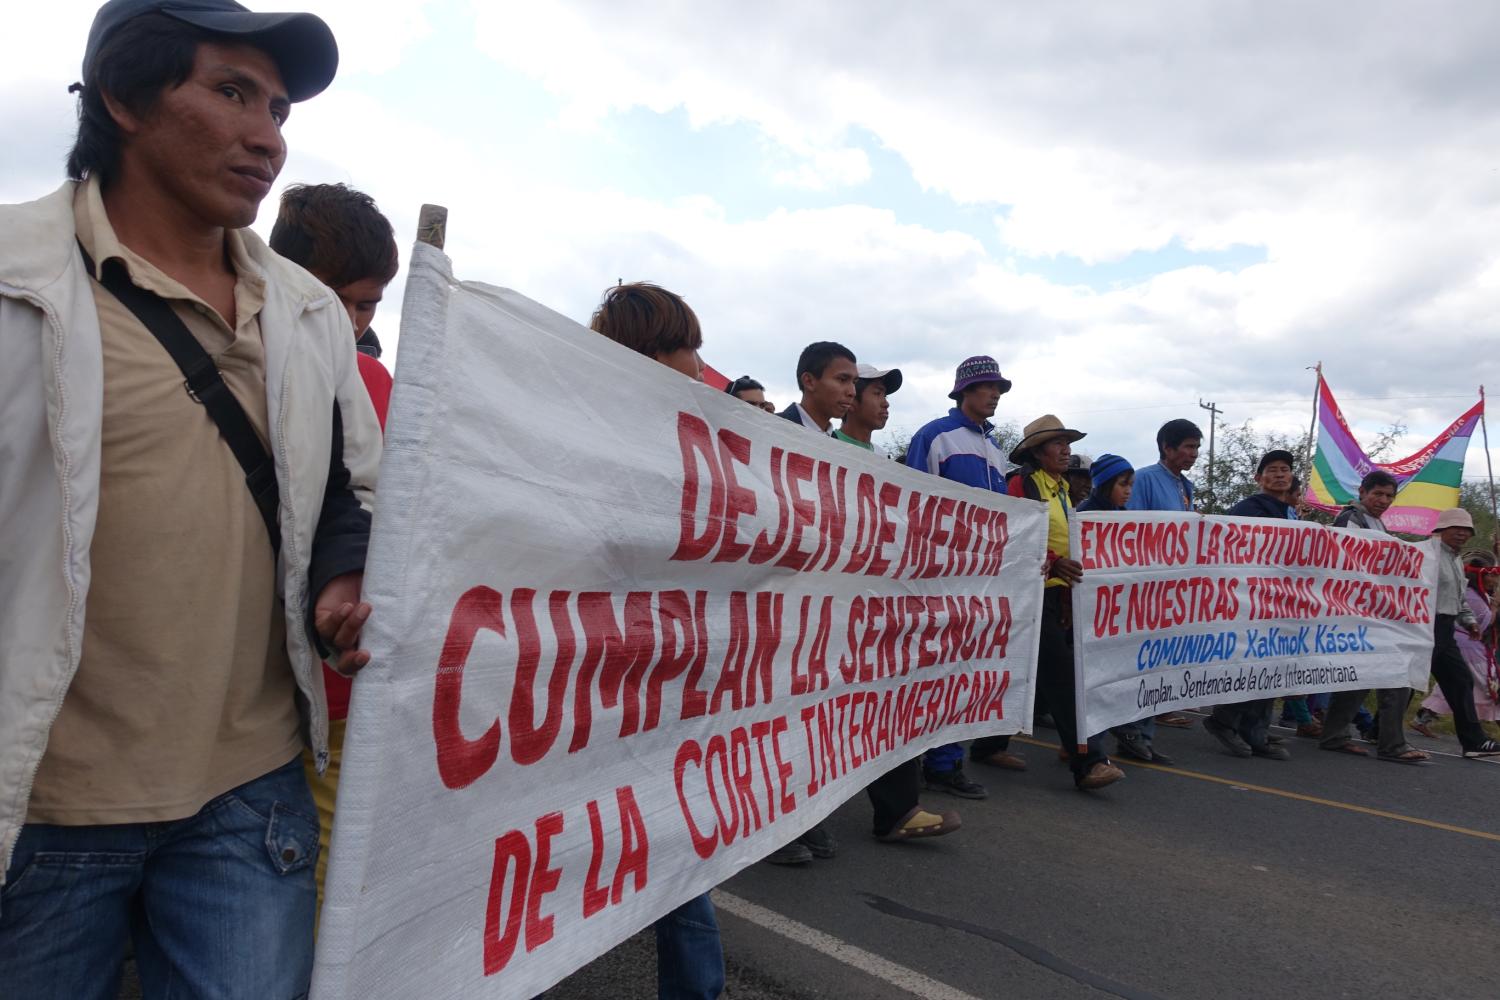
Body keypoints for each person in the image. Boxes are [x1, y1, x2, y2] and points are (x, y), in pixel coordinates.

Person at [0, 3, 380, 995]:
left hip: (247, 797)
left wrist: (346, 567)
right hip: (41, 807)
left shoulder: (306, 314)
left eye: (279, 107)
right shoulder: (15, 284)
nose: (269, 136)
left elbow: (346, 481)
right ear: (123, 97)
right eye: (231, 92)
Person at [589, 281, 725, 999]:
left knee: (678, 850)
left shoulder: (698, 444)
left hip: (666, 689)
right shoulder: (586, 436)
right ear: (649, 353)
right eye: (686, 348)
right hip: (591, 691)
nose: (700, 366)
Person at [269, 182, 400, 911]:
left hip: (340, 671)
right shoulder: (235, 357)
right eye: (341, 300)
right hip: (261, 681)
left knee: (322, 861)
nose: (349, 322)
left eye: (368, 305)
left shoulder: (375, 379)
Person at [826, 362, 962, 844]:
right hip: (828, 605)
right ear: (850, 398)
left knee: (888, 701)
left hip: (872, 607)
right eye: (876, 392)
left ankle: (898, 811)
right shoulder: (819, 449)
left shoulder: (884, 461)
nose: (885, 404)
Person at [986, 415, 1124, 790]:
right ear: (1037, 450)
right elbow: (1013, 533)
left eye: (1068, 443)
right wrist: (1054, 559)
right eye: (1057, 443)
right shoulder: (1022, 483)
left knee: (1029, 672)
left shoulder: (1061, 489)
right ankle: (1088, 759)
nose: (1066, 450)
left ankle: (988, 745)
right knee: (1063, 673)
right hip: (1029, 592)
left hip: (1059, 593)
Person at [904, 356, 1018, 795]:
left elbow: (1008, 519)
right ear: (964, 391)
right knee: (929, 672)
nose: (995, 395)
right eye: (989, 387)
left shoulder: (996, 451)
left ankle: (946, 763)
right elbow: (914, 503)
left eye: (1000, 389)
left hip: (983, 581)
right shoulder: (935, 437)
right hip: (941, 578)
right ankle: (913, 758)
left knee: (964, 672)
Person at [1317, 471, 1429, 762]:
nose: (1383, 500)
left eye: (1389, 496)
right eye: (1378, 494)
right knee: (1392, 671)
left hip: (1373, 611)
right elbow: (1352, 565)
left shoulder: (1376, 522)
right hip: (1359, 611)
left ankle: (1334, 735)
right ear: (1363, 492)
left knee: (1360, 676)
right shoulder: (1350, 519)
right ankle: (1391, 744)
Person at [1075, 455, 1173, 765]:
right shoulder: (1085, 516)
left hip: (1119, 613)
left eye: (1131, 484)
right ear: (1105, 484)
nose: (1129, 490)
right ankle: (1088, 747)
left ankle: (1124, 738)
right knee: (1095, 684)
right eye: (1123, 484)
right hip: (1091, 614)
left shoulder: (1124, 517)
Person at [1206, 451, 1299, 760]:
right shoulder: (1250, 509)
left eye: (1284, 469)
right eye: (1271, 470)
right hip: (1253, 598)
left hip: (1281, 599)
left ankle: (1254, 729)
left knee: (1272, 667)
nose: (1279, 475)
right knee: (1253, 665)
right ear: (1258, 478)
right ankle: (1224, 721)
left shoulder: (1289, 512)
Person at [1120, 419, 1204, 740]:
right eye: (1188, 447)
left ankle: (1158, 706)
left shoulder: (1186, 486)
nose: (1194, 454)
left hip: (1174, 583)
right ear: (1167, 448)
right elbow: (1132, 528)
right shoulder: (1143, 480)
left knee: (1166, 646)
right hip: (1147, 582)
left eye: (1196, 448)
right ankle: (1133, 718)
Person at [1415, 509, 1500, 758]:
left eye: (1467, 530)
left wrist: (1470, 621)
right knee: (1407, 680)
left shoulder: (1454, 559)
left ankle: (1474, 742)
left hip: (1445, 627)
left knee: (1459, 680)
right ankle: (1379, 731)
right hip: (1424, 624)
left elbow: (1459, 597)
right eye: (1456, 528)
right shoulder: (1426, 554)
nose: (1462, 533)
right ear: (1441, 529)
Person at [779, 341, 857, 432]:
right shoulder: (769, 429)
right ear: (809, 381)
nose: (852, 392)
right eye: (842, 380)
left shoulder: (839, 444)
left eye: (854, 382)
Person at [836, 363, 901, 456]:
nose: (886, 404)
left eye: (885, 396)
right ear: (851, 400)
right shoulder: (821, 445)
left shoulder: (883, 457)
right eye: (877, 393)